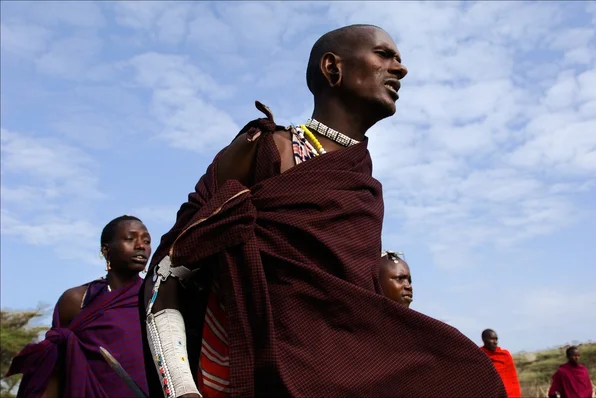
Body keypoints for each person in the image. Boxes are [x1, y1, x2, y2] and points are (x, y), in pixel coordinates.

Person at [140, 24, 506, 398]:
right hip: (249, 374)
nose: (401, 69)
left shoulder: (363, 186)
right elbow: (169, 272)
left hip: (340, 371)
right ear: (333, 69)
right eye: (385, 55)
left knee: (469, 373)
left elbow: (352, 307)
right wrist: (181, 390)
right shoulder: (266, 150)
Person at [6, 215, 151, 397]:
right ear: (106, 250)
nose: (141, 246)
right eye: (130, 239)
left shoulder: (155, 297)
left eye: (146, 241)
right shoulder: (77, 300)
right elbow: (55, 365)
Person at [481, 328, 522, 398]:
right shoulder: (479, 355)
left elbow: (512, 378)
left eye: (496, 339)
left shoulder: (505, 355)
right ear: (484, 340)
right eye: (492, 339)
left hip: (508, 393)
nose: (495, 342)